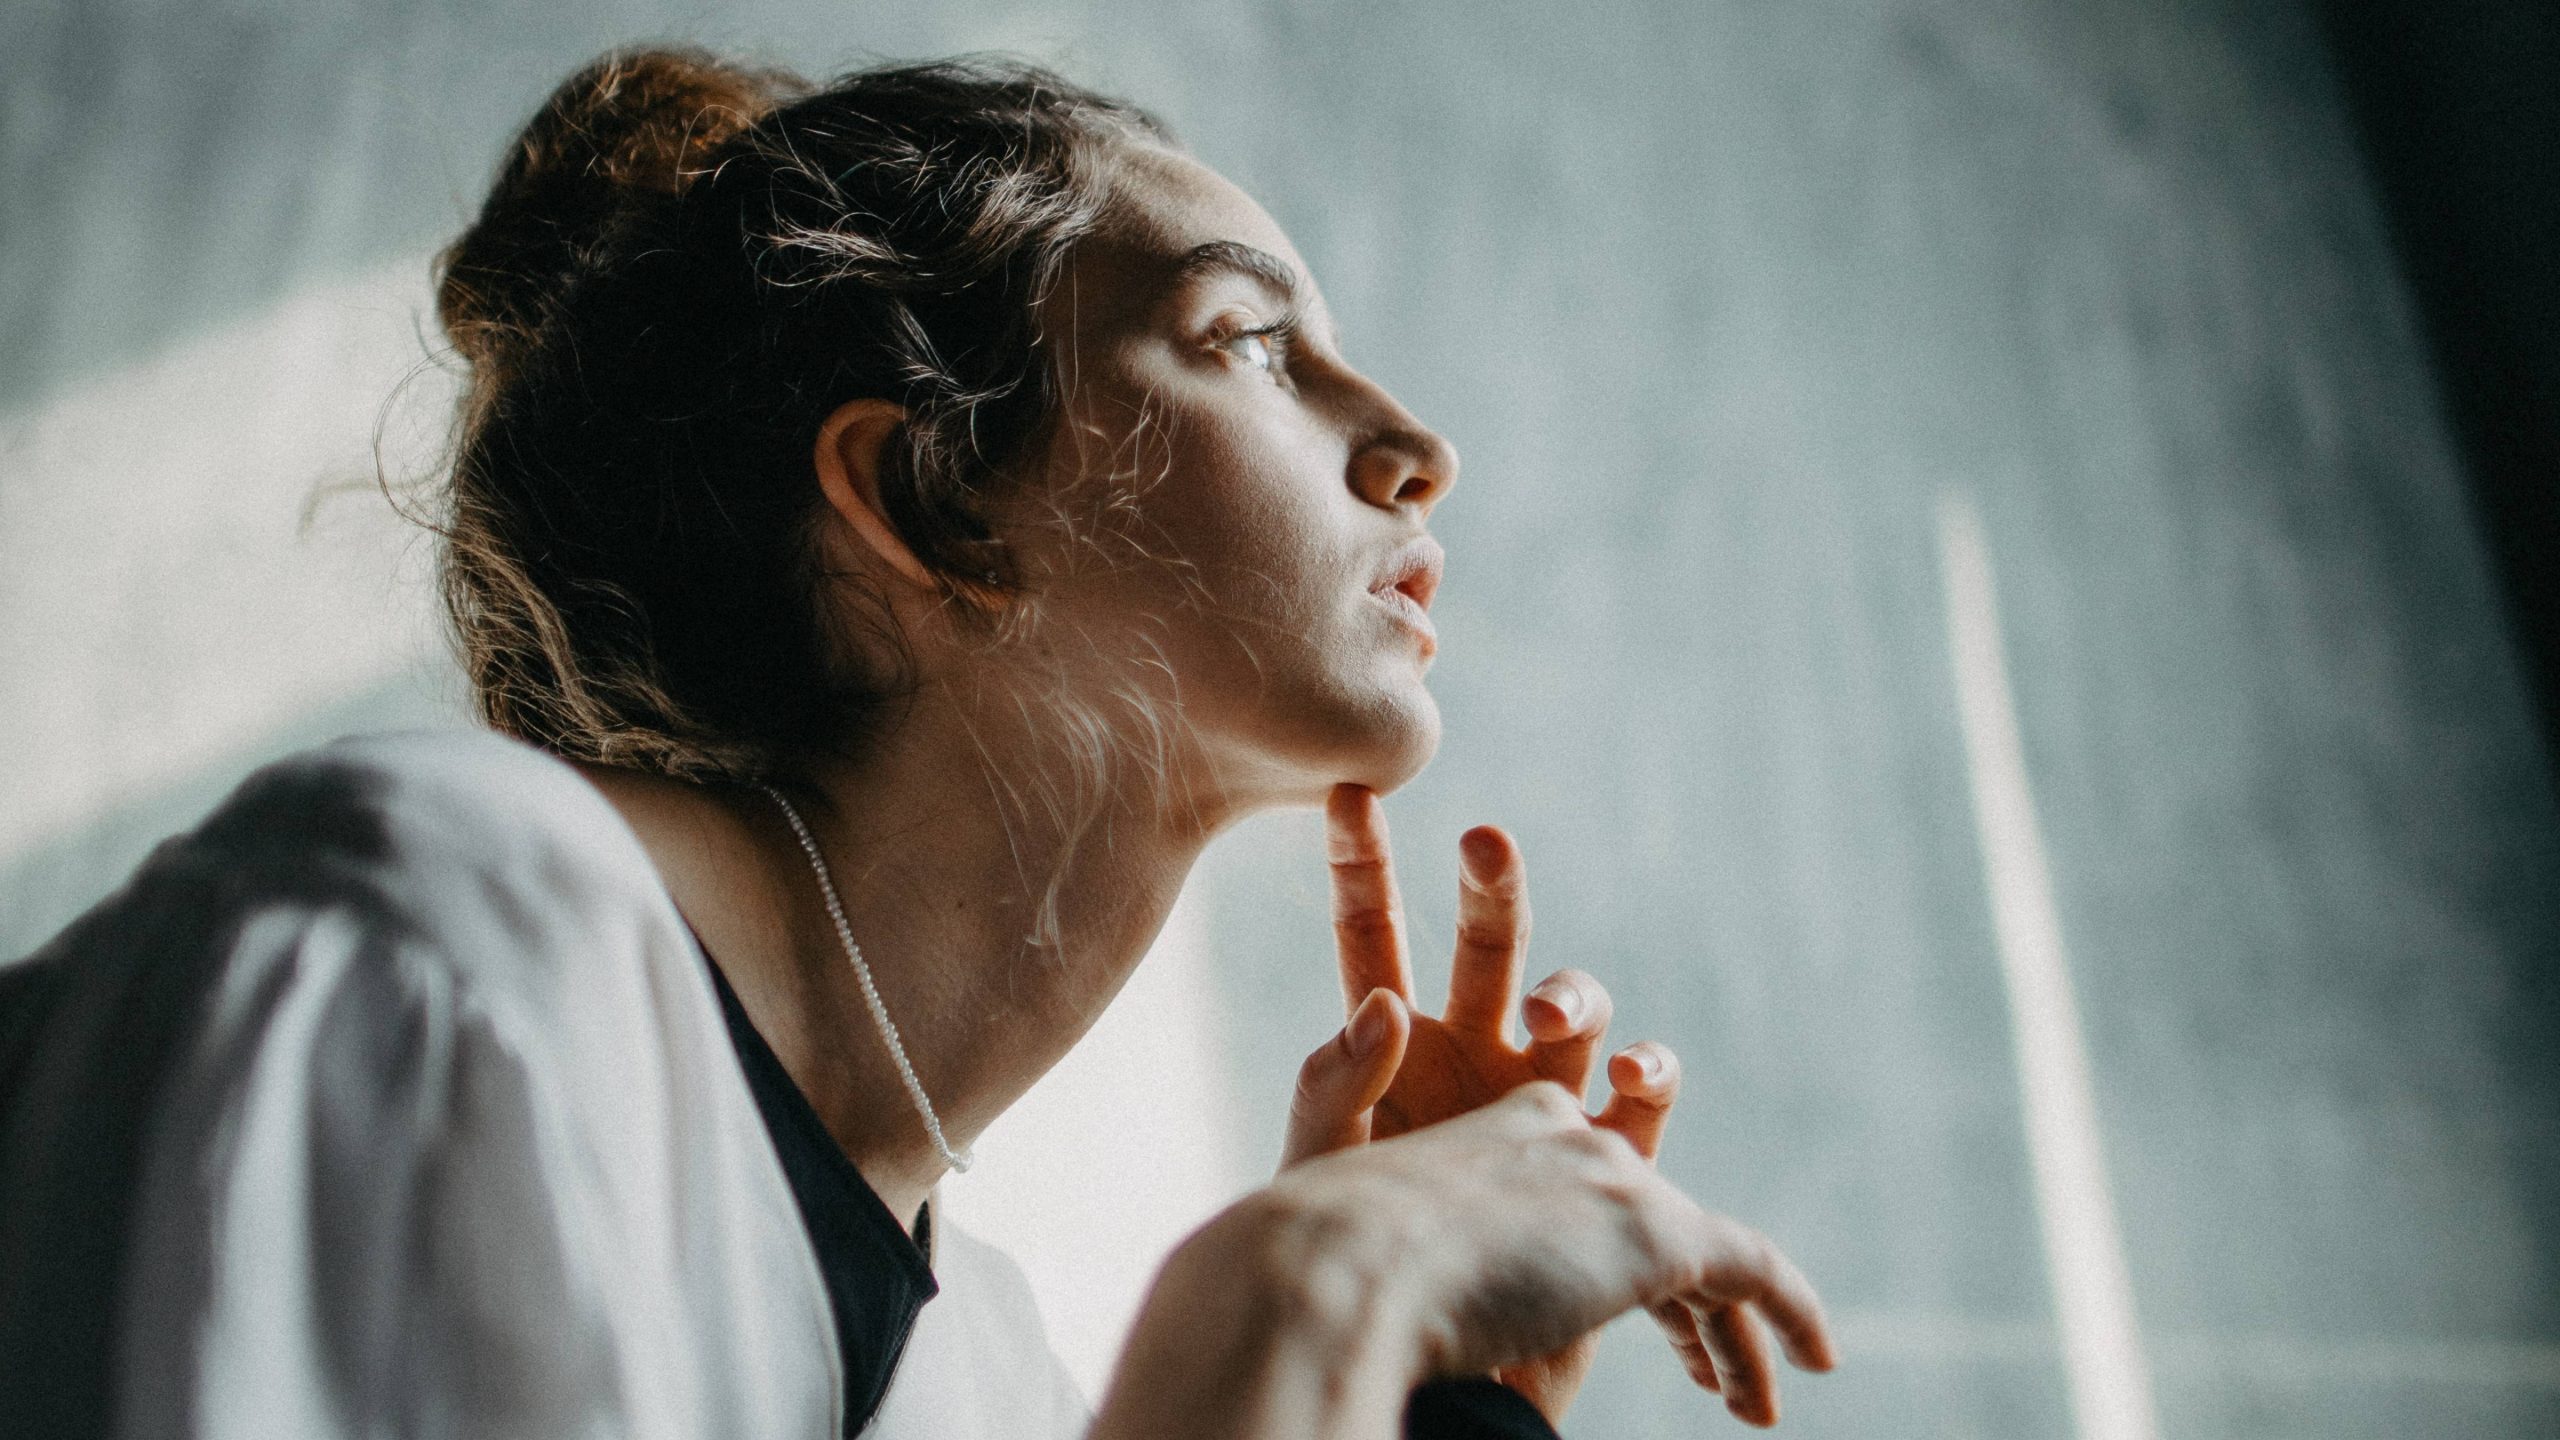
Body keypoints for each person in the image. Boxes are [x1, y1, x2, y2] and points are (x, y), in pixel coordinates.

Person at [0, 46, 1834, 1440]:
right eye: (1251, 340)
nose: (1416, 442)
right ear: (926, 495)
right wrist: (1293, 1305)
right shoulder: (434, 946)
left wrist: (1410, 1394)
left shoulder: (994, 1377)